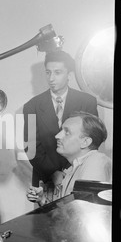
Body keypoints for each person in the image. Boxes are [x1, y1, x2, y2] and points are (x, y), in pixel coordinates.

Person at [23, 50, 98, 192]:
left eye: (57, 72)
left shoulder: (87, 102)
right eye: (48, 72)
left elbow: (92, 141)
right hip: (45, 181)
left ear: (69, 75)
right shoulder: (31, 106)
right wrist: (53, 173)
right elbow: (30, 148)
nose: (51, 78)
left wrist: (70, 172)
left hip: (80, 175)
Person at [27, 112, 112, 206]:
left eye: (67, 132)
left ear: (85, 142)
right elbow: (66, 213)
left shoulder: (96, 161)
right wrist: (42, 200)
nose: (57, 136)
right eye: (61, 130)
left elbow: (84, 211)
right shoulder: (71, 170)